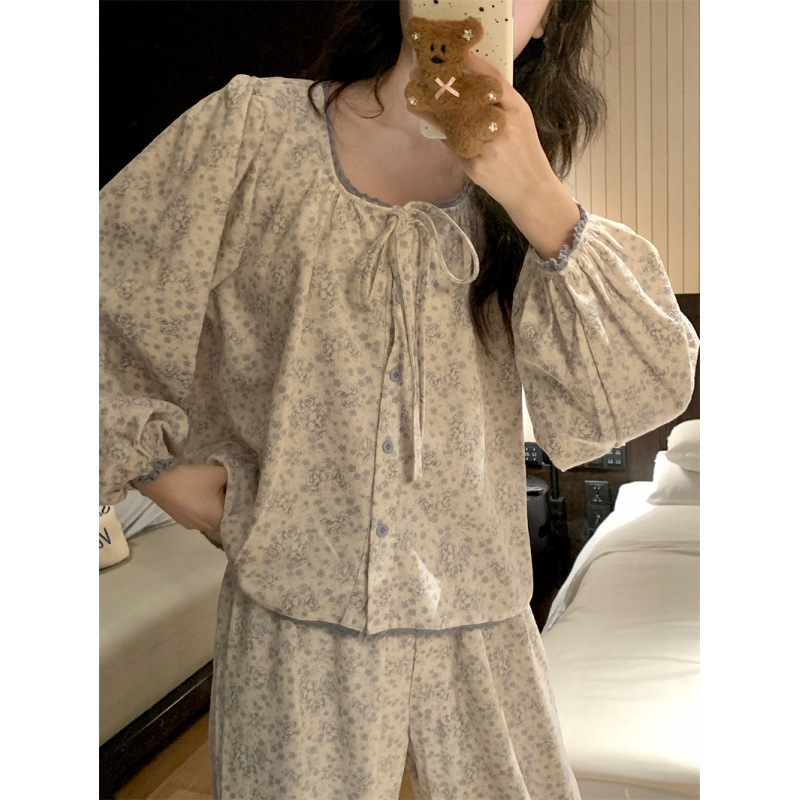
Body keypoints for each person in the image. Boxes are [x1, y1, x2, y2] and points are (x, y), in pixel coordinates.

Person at [99, 1, 699, 797]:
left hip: (481, 619)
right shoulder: (251, 132)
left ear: (547, 23)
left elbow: (638, 393)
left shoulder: (527, 194)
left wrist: (536, 196)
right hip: (294, 623)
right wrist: (162, 475)